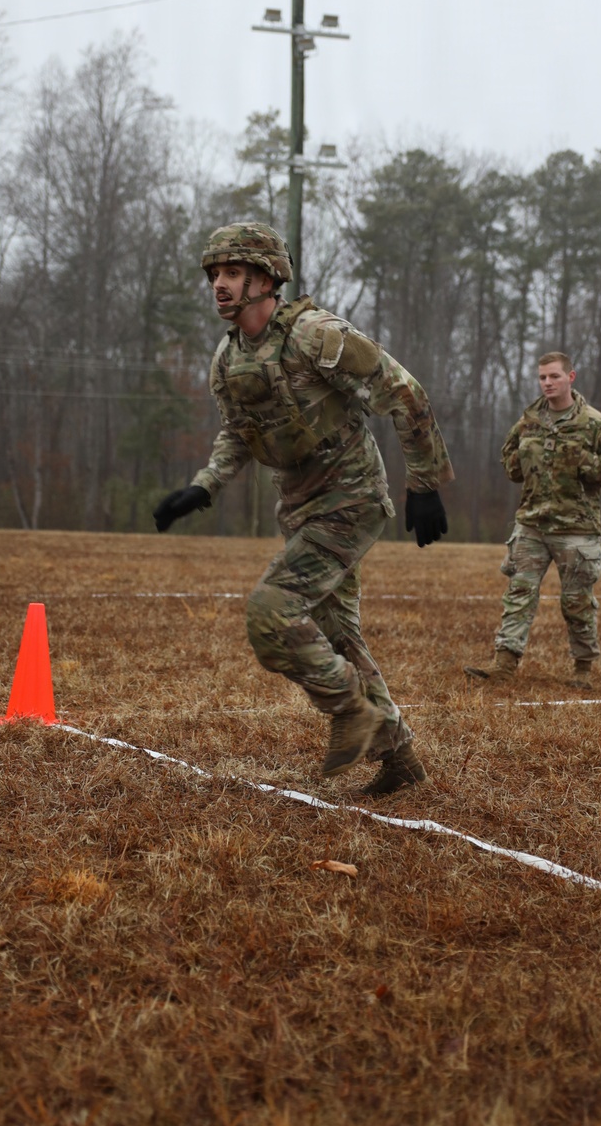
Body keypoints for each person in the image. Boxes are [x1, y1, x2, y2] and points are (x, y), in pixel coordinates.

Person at [153, 222, 453, 796]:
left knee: (271, 614)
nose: (219, 284)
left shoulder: (316, 336)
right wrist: (204, 486)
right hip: (298, 507)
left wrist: (425, 483)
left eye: (232, 273)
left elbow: (404, 392)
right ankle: (400, 758)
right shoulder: (227, 357)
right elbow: (238, 435)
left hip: (352, 500)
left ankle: (353, 712)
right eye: (214, 274)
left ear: (265, 279)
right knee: (336, 634)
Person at [465, 351, 601, 690]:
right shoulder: (529, 422)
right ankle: (503, 666)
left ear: (571, 377)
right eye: (542, 378)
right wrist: (520, 464)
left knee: (576, 603)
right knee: (519, 594)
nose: (547, 383)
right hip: (532, 524)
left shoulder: (595, 424)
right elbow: (509, 460)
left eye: (554, 376)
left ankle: (583, 669)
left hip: (576, 529)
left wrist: (584, 461)